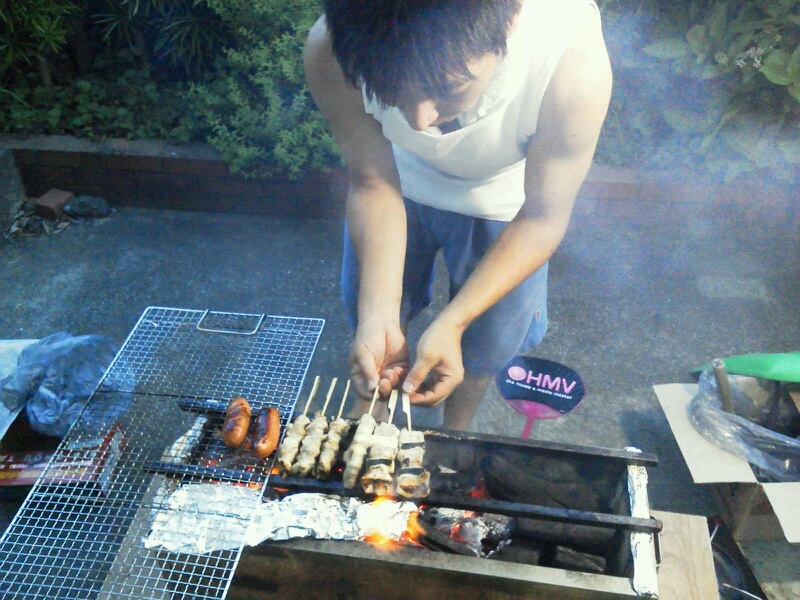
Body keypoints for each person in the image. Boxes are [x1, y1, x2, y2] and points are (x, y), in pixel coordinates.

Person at [305, 0, 612, 429]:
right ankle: (371, 409)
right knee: (370, 310)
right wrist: (378, 315)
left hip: (505, 197)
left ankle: (457, 428)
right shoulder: (335, 47)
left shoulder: (570, 62)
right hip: (398, 177)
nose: (420, 121)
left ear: (508, 22)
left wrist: (454, 321)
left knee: (488, 337)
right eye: (391, 92)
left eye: (448, 88)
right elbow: (372, 183)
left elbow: (542, 217)